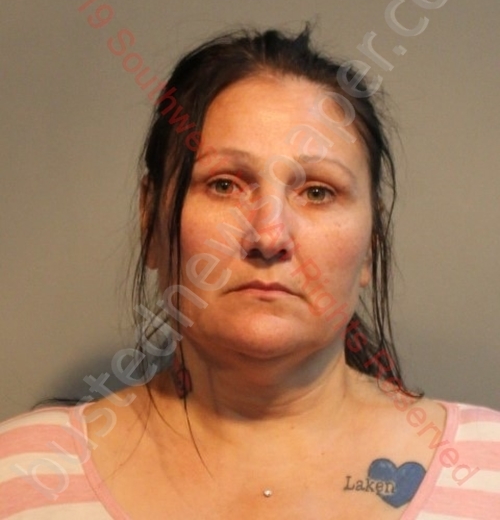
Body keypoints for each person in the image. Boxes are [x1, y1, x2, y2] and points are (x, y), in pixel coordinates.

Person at [1, 26, 499, 519]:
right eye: (224, 185)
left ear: (370, 243)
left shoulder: (487, 473)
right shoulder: (23, 476)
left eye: (318, 192)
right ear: (150, 219)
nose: (269, 235)